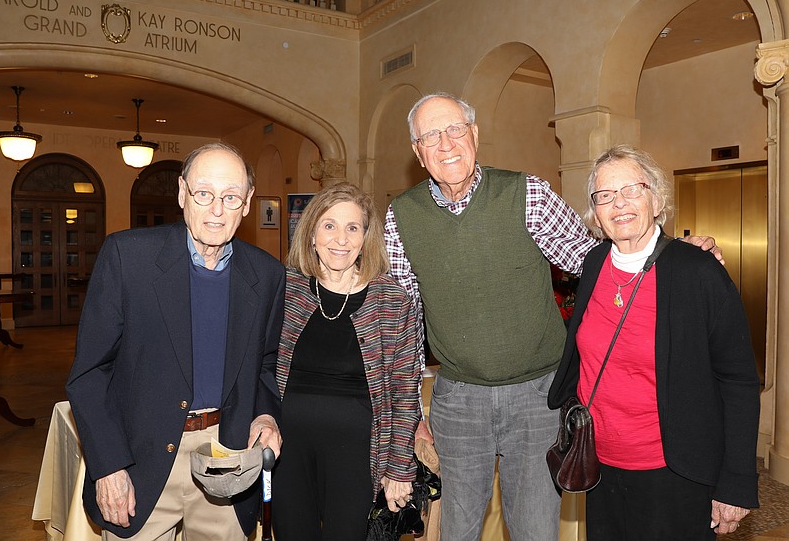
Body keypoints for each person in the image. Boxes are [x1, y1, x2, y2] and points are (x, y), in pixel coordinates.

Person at [385, 92, 722, 541]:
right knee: (457, 532)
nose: (445, 144)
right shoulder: (401, 217)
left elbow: (599, 263)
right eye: (431, 136)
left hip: (538, 398)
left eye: (455, 130)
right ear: (417, 151)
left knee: (536, 531)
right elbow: (402, 325)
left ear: (475, 135)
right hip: (458, 400)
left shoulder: (527, 194)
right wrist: (408, 414)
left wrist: (678, 256)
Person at [66, 141, 285, 540]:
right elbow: (90, 373)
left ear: (248, 202)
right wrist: (109, 466)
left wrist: (267, 416)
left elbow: (267, 365)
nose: (217, 210)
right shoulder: (127, 257)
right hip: (140, 461)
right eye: (204, 194)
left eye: (231, 196)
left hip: (227, 462)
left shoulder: (267, 275)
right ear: (183, 192)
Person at [548, 145, 759, 540]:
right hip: (601, 467)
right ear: (595, 213)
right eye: (605, 195)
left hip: (675, 472)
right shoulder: (593, 265)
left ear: (657, 199)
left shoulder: (698, 272)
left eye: (632, 189)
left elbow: (739, 381)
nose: (619, 203)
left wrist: (736, 481)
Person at [273, 182, 420, 540]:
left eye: (352, 227)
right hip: (286, 450)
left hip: (357, 453)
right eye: (329, 225)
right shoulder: (284, 288)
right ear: (311, 234)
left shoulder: (392, 301)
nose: (341, 238)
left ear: (365, 237)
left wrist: (399, 468)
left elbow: (404, 393)